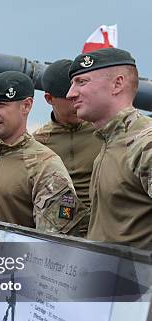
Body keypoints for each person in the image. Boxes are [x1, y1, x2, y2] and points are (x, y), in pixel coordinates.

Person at [0, 71, 86, 250]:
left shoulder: (45, 166)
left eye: (0, 105)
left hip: (24, 276)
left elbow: (56, 242)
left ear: (26, 106)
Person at [67, 48, 152, 247]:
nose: (70, 94)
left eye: (82, 82)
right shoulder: (110, 143)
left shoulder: (144, 144)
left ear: (117, 84)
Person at [33, 59, 101, 233]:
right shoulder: (38, 142)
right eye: (68, 97)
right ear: (49, 98)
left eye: (79, 94)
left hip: (103, 231)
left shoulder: (104, 131)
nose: (75, 100)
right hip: (59, 235)